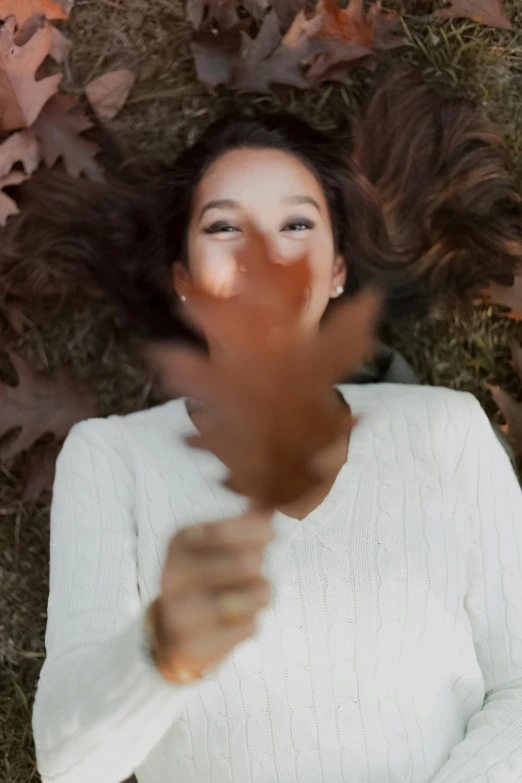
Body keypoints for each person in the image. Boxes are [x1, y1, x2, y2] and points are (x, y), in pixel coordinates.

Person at [32, 70, 522, 783]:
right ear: (185, 278)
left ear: (336, 272)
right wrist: (161, 649)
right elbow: (70, 763)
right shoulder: (114, 460)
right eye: (224, 227)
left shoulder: (448, 435)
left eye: (296, 224)